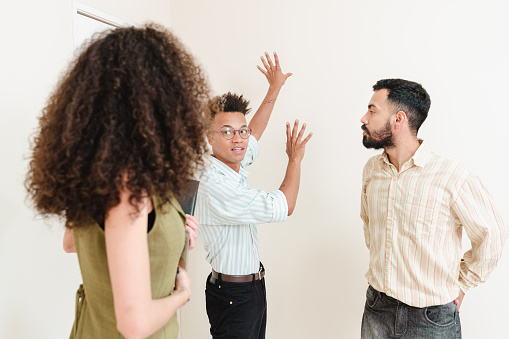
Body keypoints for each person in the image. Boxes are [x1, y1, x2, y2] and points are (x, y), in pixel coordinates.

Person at [25, 24, 209, 339]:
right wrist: (182, 294)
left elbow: (73, 242)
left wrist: (172, 230)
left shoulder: (97, 175)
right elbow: (134, 325)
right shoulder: (129, 186)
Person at [359, 78, 508, 338]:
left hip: (431, 319)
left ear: (399, 119)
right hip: (377, 309)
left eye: (372, 110)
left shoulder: (451, 176)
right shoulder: (372, 170)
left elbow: (492, 235)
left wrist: (463, 284)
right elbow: (369, 223)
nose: (364, 118)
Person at [195, 52, 312, 339]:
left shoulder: (231, 161)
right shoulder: (215, 185)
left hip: (250, 288)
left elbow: (254, 134)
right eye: (227, 132)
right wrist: (294, 159)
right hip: (235, 295)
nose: (238, 139)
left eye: (240, 131)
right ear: (209, 138)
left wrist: (274, 88)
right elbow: (285, 205)